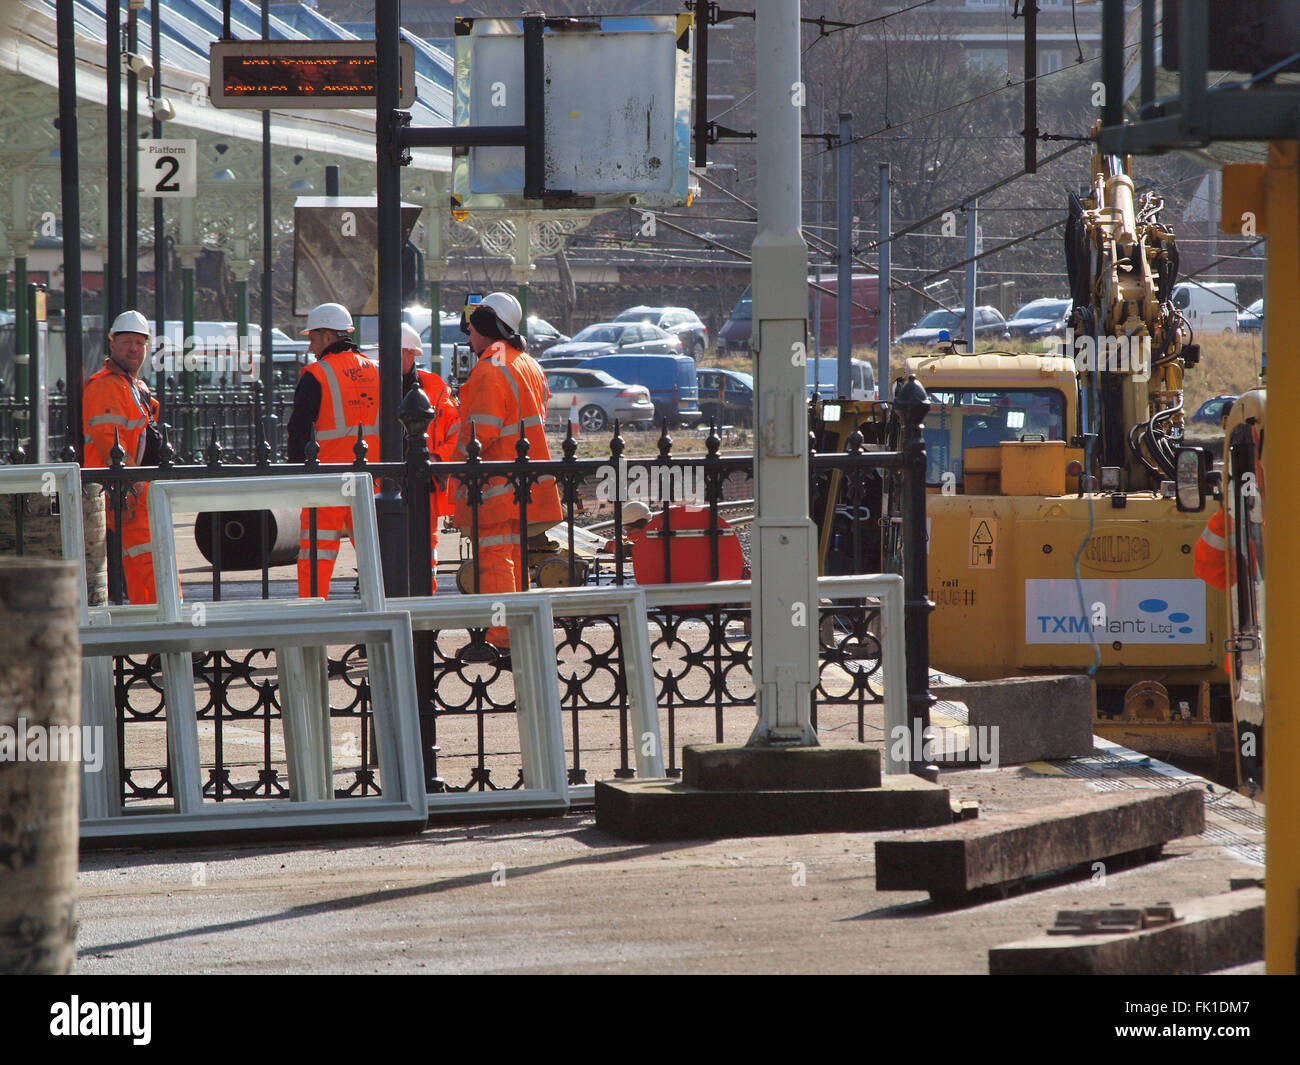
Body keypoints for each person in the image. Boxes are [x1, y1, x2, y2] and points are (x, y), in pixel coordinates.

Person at [452, 291, 561, 648]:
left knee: (496, 561)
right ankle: (520, 631)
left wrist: (445, 469)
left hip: (495, 488)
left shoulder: (490, 367)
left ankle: (501, 636)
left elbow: (478, 435)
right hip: (524, 483)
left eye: (472, 330)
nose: (469, 337)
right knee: (514, 560)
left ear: (486, 329)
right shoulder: (526, 362)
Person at [287, 302, 379, 598]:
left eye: (313, 338)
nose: (311, 346)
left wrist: (295, 474)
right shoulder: (378, 371)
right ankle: (380, 619)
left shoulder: (317, 374)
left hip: (326, 482)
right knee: (375, 557)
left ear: (327, 336)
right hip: (370, 481)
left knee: (317, 556)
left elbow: (298, 430)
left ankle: (312, 623)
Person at [83, 310, 162, 604]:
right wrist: (130, 488)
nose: (133, 348)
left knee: (146, 561)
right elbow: (111, 445)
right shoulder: (106, 385)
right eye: (127, 341)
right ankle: (165, 633)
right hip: (121, 491)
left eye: (140, 343)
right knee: (149, 561)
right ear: (112, 343)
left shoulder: (134, 386)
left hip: (131, 490)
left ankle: (158, 634)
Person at [401, 322, 460, 589]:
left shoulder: (435, 388)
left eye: (397, 352)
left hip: (424, 478)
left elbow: (457, 431)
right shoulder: (373, 383)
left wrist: (438, 459)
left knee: (427, 541)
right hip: (386, 478)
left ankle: (426, 597)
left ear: (411, 355)